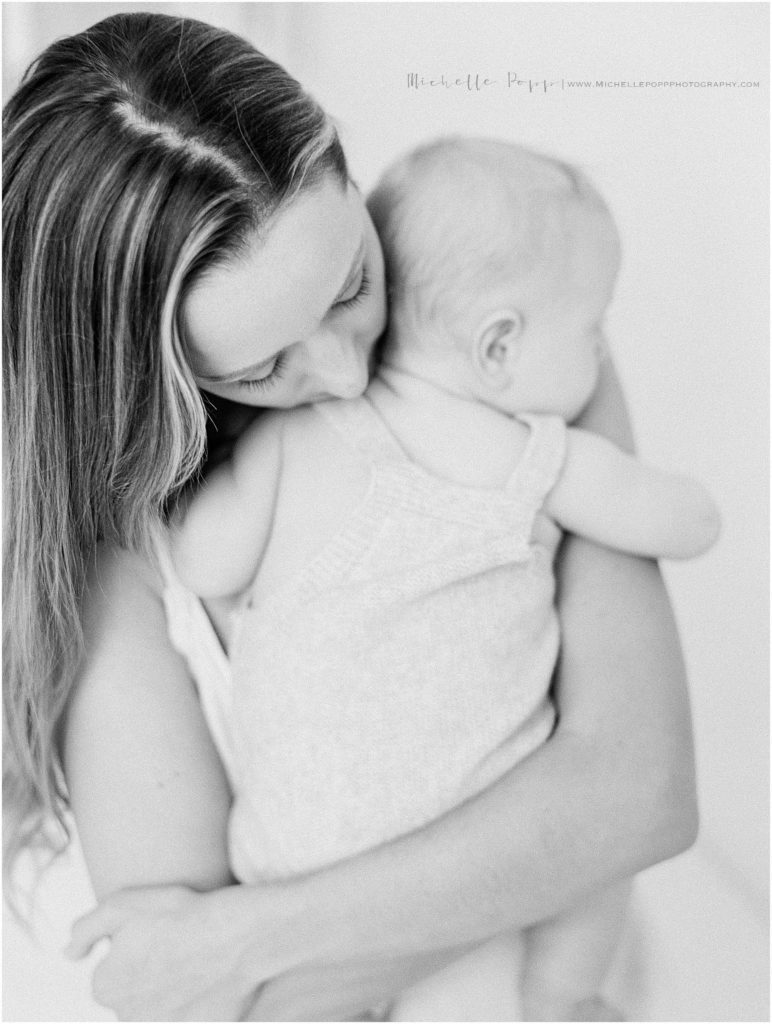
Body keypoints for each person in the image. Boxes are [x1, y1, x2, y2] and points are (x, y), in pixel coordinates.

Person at [3, 13, 698, 1023]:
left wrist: (251, 935)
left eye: (352, 284)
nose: (341, 371)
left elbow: (642, 796)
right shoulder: (117, 539)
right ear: (142, 374)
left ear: (340, 153)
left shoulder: (501, 316)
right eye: (258, 368)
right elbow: (196, 992)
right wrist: (542, 843)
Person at [161, 137, 718, 1022]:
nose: (341, 375)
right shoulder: (538, 456)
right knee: (595, 892)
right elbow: (687, 523)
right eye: (593, 332)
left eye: (354, 287)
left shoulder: (284, 444)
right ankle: (566, 997)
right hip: (507, 831)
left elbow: (201, 560)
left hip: (303, 860)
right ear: (498, 345)